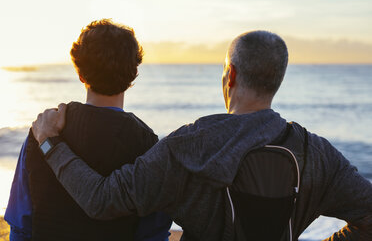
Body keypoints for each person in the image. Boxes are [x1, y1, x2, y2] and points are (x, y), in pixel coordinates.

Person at [31, 31, 372, 240]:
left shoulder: (188, 145)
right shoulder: (317, 154)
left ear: (231, 75)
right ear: (277, 79)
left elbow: (102, 201)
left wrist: (50, 144)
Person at [5, 19, 171, 241]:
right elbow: (153, 232)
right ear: (133, 75)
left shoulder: (44, 130)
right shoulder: (148, 144)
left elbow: (21, 223)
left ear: (81, 74)